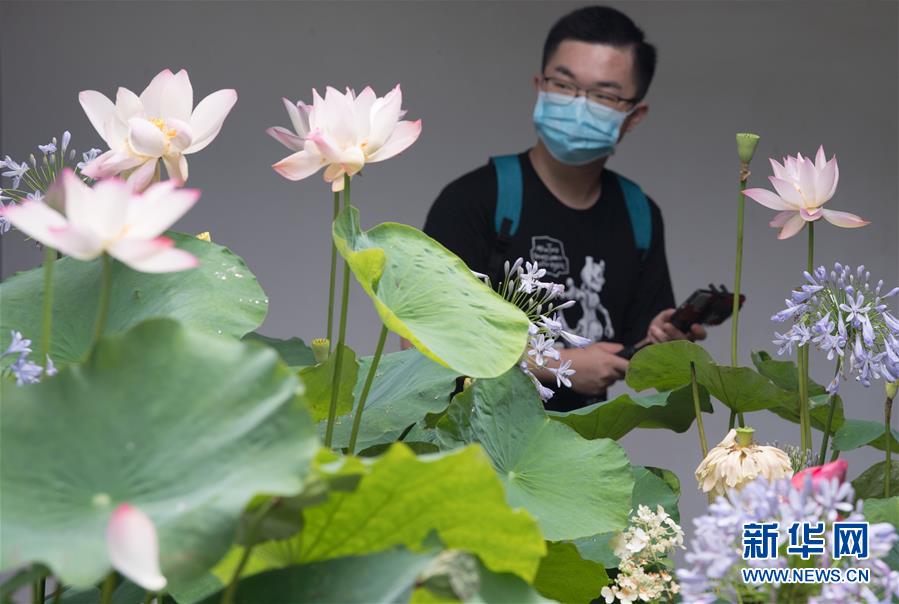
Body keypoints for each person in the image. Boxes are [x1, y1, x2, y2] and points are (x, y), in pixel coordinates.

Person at [423, 5, 706, 411]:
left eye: (603, 95)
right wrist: (555, 364)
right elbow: (422, 340)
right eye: (564, 85)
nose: (578, 104)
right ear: (540, 86)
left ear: (633, 115)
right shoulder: (474, 199)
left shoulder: (639, 215)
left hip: (579, 446)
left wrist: (664, 343)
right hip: (469, 439)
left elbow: (641, 363)